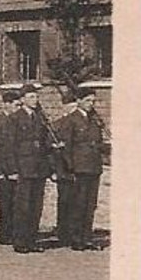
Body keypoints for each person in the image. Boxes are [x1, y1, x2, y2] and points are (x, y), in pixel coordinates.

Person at [7, 84, 59, 254]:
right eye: (30, 97)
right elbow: (10, 146)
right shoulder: (14, 118)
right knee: (23, 206)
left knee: (36, 205)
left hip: (39, 167)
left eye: (35, 97)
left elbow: (45, 143)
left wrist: (50, 162)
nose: (34, 100)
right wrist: (13, 169)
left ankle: (32, 239)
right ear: (22, 100)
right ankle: (20, 241)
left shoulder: (40, 118)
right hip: (23, 167)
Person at [59, 87, 105, 250]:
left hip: (93, 167)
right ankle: (76, 238)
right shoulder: (71, 120)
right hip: (79, 168)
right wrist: (71, 168)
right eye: (87, 100)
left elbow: (99, 142)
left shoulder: (94, 120)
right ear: (78, 101)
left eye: (93, 101)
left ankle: (87, 237)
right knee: (78, 203)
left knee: (90, 204)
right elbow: (67, 147)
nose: (90, 104)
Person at [0, 84, 22, 244]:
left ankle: (16, 232)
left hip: (17, 168)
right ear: (7, 104)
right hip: (3, 170)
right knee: (6, 203)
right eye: (16, 105)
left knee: (17, 203)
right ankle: (6, 234)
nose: (18, 108)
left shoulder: (16, 120)